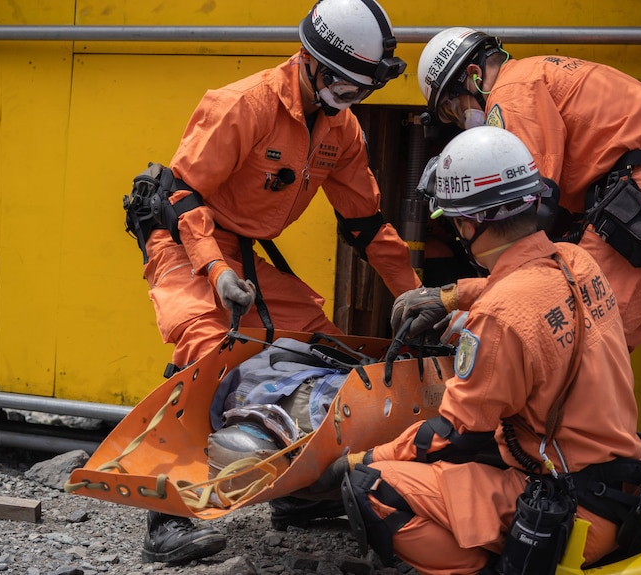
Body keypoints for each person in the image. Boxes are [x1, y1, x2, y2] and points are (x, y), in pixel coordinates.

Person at [133, 0, 421, 564]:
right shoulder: (243, 104)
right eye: (344, 86)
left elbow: (365, 223)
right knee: (207, 352)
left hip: (242, 251)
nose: (352, 100)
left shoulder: (342, 129)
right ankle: (166, 513)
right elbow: (180, 196)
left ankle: (300, 493)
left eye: (361, 90)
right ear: (312, 62)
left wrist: (412, 291)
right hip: (185, 239)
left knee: (324, 350)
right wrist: (215, 273)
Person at [310, 126, 641, 574]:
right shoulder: (575, 259)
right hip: (623, 490)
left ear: (468, 224)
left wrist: (359, 458)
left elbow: (454, 434)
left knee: (369, 487)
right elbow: (527, 286)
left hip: (567, 515)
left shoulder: (500, 317)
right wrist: (449, 296)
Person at [408, 26, 641, 351]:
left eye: (451, 108)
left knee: (577, 342)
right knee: (609, 345)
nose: (459, 121)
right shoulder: (535, 75)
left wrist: (476, 308)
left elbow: (525, 216)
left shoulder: (510, 92)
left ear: (474, 76)